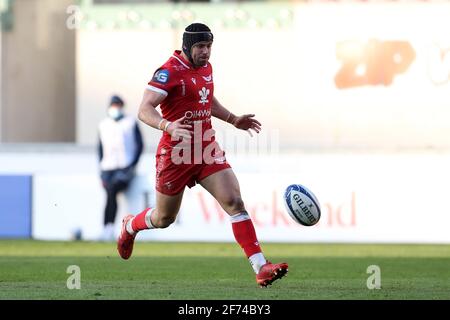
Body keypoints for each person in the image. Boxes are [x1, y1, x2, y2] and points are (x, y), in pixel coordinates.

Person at [117, 23, 288, 287]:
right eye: (200, 47)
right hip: (176, 153)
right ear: (187, 46)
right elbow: (144, 109)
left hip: (206, 147)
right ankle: (130, 226)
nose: (205, 52)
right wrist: (168, 125)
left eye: (208, 46)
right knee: (164, 219)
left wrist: (233, 119)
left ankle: (261, 267)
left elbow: (206, 99)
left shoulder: (206, 68)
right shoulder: (169, 72)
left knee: (234, 202)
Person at [98, 95, 143, 241]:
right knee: (110, 194)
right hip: (107, 168)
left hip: (125, 167)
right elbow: (100, 148)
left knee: (112, 191)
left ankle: (108, 228)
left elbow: (139, 145)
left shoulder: (130, 123)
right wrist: (101, 166)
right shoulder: (103, 124)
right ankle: (108, 228)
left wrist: (132, 165)